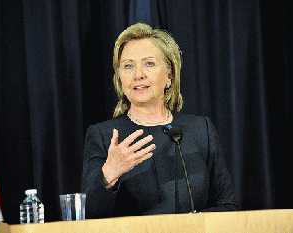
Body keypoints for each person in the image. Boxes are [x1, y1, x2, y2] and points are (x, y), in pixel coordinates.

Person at [81, 23, 238, 219]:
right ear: (120, 78)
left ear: (169, 76)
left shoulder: (200, 130)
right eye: (128, 66)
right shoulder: (105, 136)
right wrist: (109, 174)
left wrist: (193, 225)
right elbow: (88, 218)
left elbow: (227, 208)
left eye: (149, 64)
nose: (138, 75)